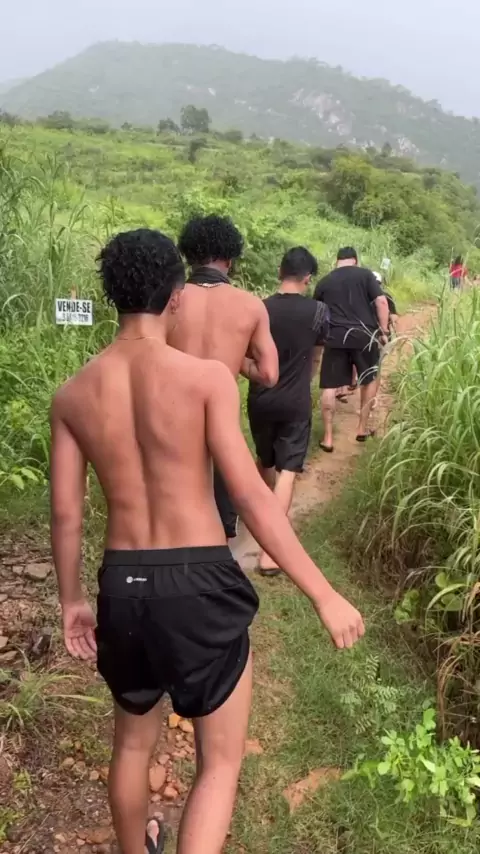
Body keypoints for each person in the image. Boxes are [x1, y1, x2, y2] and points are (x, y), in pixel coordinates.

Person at [50, 229, 364, 854]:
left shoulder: (73, 393)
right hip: (197, 581)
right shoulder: (205, 381)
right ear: (176, 295)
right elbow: (251, 497)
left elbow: (66, 514)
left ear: (112, 295)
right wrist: (323, 594)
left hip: (122, 586)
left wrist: (72, 600)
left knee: (131, 747)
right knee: (218, 763)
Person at [169, 214, 279, 540]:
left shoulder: (168, 301)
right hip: (220, 420)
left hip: (170, 416)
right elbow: (269, 374)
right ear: (229, 260)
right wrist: (235, 357)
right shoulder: (250, 306)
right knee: (218, 519)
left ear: (188, 255)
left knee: (173, 513)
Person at [247, 247, 329, 577]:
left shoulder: (259, 308)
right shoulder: (318, 311)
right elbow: (318, 356)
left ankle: (262, 521)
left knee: (265, 461)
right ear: (308, 278)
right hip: (295, 401)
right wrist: (304, 381)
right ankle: (270, 551)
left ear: (279, 271)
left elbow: (247, 354)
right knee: (288, 470)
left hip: (260, 398)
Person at [314, 247, 389, 452]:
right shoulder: (365, 275)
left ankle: (328, 438)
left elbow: (317, 311)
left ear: (337, 261)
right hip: (364, 335)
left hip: (335, 337)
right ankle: (361, 428)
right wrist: (383, 331)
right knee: (369, 379)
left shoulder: (325, 281)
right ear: (355, 260)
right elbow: (381, 301)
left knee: (329, 385)